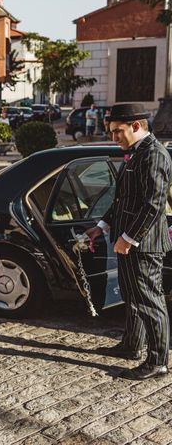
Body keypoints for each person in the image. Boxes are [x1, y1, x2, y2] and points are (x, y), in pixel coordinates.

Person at [86, 103, 172, 380]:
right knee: (131, 296)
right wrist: (102, 226)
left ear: (136, 125)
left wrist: (129, 238)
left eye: (117, 131)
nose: (114, 138)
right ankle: (132, 346)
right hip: (126, 241)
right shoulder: (135, 154)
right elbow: (123, 199)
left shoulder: (155, 155)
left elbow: (154, 204)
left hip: (144, 244)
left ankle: (158, 361)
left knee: (149, 300)